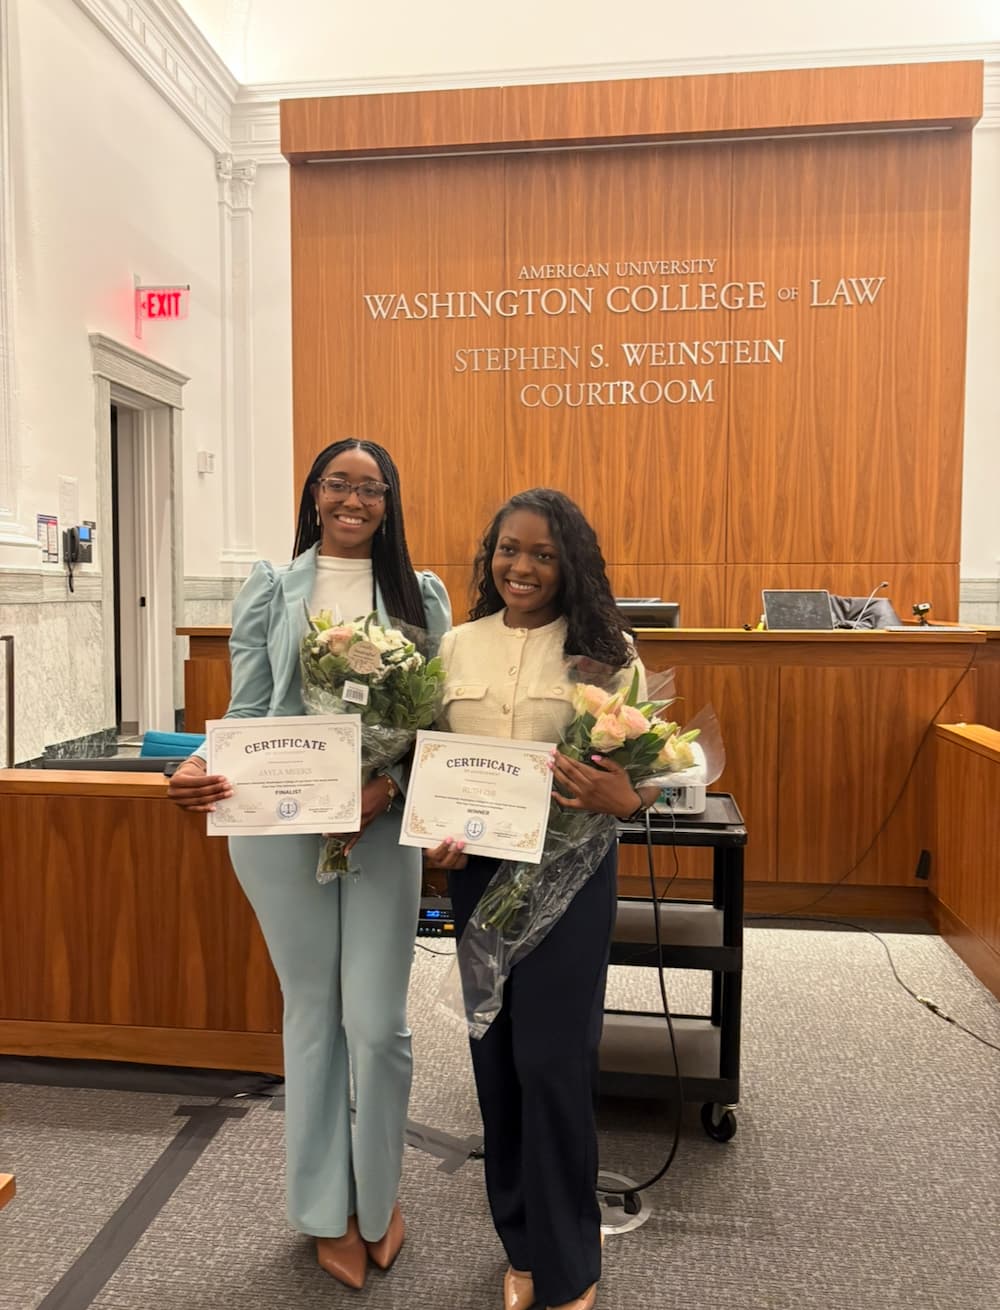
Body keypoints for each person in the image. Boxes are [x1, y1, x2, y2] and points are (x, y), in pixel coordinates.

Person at [167, 439, 451, 1290]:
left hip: (380, 825)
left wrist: (387, 786)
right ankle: (326, 1210)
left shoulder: (420, 596)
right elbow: (249, 710)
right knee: (313, 1014)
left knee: (377, 1023)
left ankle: (381, 1197)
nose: (354, 499)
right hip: (279, 829)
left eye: (372, 487)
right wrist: (195, 767)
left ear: (391, 502)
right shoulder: (270, 587)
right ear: (315, 494)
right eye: (339, 483)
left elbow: (436, 719)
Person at [429, 488, 655, 1310]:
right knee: (495, 1061)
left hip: (570, 878)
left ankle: (570, 1259)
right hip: (479, 875)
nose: (521, 567)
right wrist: (433, 832)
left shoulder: (605, 653)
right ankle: (519, 1242)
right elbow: (430, 763)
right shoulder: (454, 646)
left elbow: (642, 780)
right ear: (490, 557)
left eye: (542, 554)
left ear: (570, 566)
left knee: (552, 1062)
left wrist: (624, 799)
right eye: (508, 550)